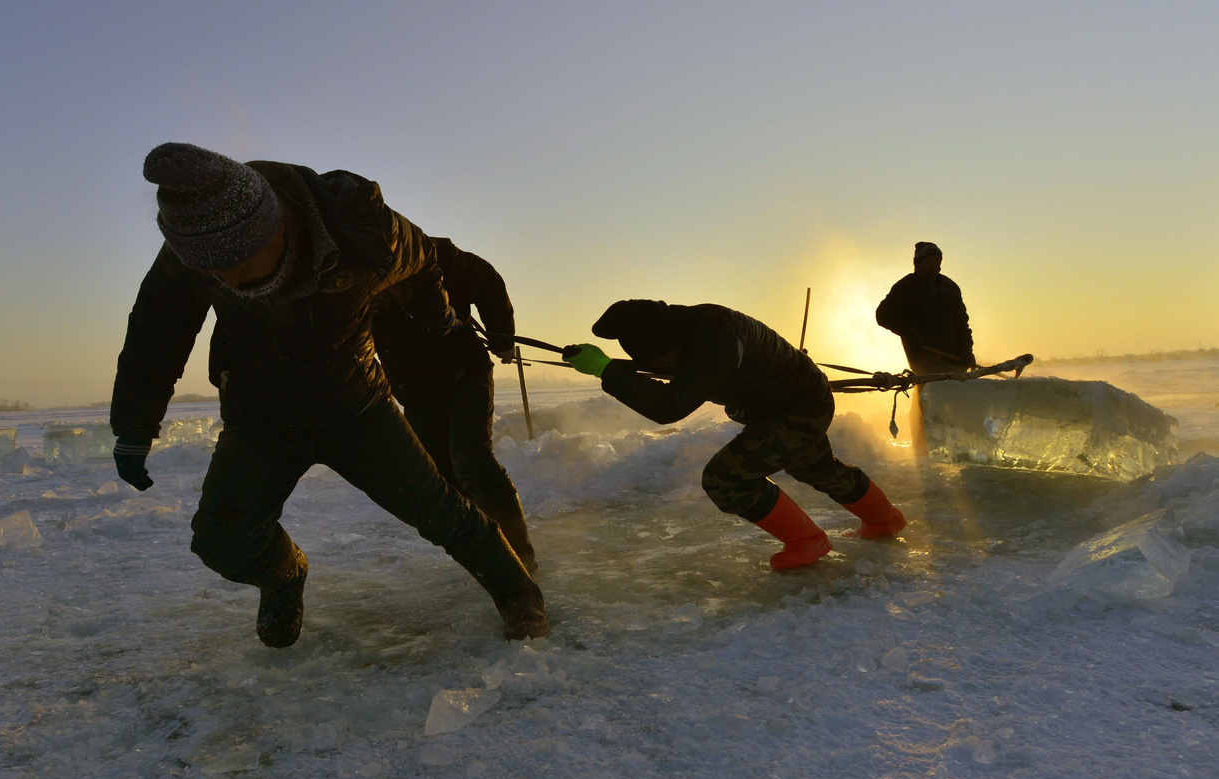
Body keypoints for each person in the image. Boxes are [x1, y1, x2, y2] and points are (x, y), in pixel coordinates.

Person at [109, 142, 547, 648]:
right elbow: (154, 334)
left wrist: (436, 312)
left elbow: (427, 257)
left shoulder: (361, 228)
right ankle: (283, 576)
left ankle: (518, 593)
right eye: (215, 273)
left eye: (242, 263)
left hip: (356, 406)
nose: (230, 281)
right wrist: (134, 427)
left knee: (441, 510)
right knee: (221, 542)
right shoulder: (194, 247)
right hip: (260, 415)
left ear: (277, 228)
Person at [562, 300, 906, 570]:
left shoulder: (713, 342)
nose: (666, 368)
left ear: (667, 343)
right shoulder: (689, 327)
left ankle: (807, 541)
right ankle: (884, 519)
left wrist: (607, 370)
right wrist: (616, 369)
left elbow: (670, 406)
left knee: (725, 479)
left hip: (798, 407)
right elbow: (677, 373)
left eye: (662, 361)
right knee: (816, 467)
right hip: (790, 401)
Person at [372, 239, 538, 572]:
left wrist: (502, 338)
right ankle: (489, 552)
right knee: (441, 478)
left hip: (464, 372)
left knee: (473, 461)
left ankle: (521, 556)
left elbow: (487, 281)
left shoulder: (427, 251)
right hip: (415, 390)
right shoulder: (341, 276)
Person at [876, 241, 975, 374]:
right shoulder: (906, 286)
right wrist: (909, 332)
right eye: (928, 260)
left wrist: (967, 352)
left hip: (955, 360)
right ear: (918, 262)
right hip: (924, 359)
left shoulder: (950, 287)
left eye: (936, 260)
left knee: (957, 392)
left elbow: (962, 324)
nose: (933, 264)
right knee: (929, 393)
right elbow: (883, 314)